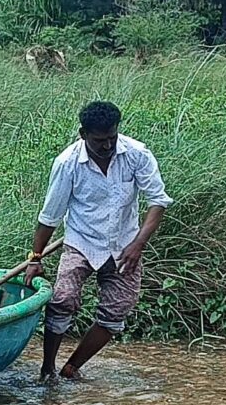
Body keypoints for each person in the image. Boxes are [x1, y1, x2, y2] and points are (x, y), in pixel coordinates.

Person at [16, 100, 173, 382]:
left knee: (117, 310)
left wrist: (138, 244)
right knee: (62, 299)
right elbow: (49, 217)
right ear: (82, 134)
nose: (107, 146)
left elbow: (157, 201)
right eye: (100, 141)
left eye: (112, 138)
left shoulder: (136, 154)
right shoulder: (67, 164)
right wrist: (35, 259)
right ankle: (47, 368)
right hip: (81, 242)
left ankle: (72, 366)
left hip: (125, 245)